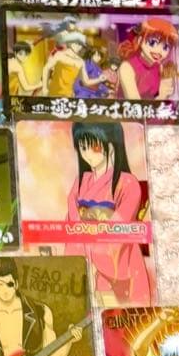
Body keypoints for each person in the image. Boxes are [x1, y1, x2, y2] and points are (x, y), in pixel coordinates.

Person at [63, 122, 153, 306]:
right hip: (88, 261)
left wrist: (93, 234)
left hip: (122, 264)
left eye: (94, 147)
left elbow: (120, 226)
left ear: (111, 146)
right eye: (83, 148)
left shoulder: (128, 183)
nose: (88, 154)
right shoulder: (80, 182)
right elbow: (72, 223)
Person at [116, 17, 179, 100]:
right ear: (140, 40)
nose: (159, 51)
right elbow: (135, 105)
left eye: (165, 47)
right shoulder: (127, 68)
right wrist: (161, 96)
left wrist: (166, 92)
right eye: (152, 43)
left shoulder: (158, 67)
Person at [41, 30, 105, 97]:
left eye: (80, 44)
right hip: (53, 94)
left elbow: (86, 81)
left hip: (69, 96)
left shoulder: (80, 62)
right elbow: (46, 68)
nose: (78, 47)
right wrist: (44, 88)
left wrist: (99, 79)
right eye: (76, 43)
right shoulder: (60, 55)